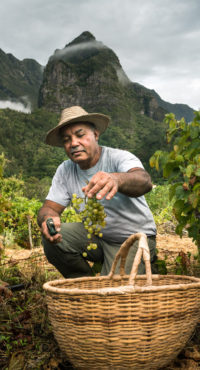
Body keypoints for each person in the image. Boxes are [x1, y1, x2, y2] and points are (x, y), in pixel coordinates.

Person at [38, 105, 158, 278]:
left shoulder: (119, 158)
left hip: (134, 238)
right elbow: (48, 208)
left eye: (80, 135)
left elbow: (144, 181)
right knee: (54, 238)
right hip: (98, 237)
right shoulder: (65, 170)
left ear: (95, 135)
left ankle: (139, 268)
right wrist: (48, 219)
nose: (73, 143)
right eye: (66, 140)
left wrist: (116, 179)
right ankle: (83, 284)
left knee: (116, 295)